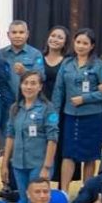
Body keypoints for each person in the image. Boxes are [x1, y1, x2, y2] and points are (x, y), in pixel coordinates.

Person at [53, 28, 102, 190]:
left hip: (92, 116)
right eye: (78, 42)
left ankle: (87, 192)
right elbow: (58, 90)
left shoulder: (99, 65)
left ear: (92, 46)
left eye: (85, 43)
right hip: (70, 115)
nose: (81, 46)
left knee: (90, 156)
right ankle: (64, 191)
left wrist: (85, 98)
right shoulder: (67, 63)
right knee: (68, 154)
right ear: (73, 43)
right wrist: (54, 115)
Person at [1, 71, 58, 203]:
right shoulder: (15, 108)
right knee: (24, 199)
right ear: (20, 85)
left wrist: (46, 167)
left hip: (39, 164)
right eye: (25, 83)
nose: (29, 87)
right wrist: (4, 164)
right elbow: (10, 135)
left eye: (33, 83)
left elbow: (52, 138)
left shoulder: (48, 108)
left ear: (40, 87)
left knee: (38, 201)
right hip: (18, 164)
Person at [41, 26, 70, 184]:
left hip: (61, 108)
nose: (55, 39)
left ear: (65, 42)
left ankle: (60, 186)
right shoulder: (38, 58)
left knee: (58, 144)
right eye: (53, 35)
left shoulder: (68, 62)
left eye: (60, 37)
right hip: (40, 107)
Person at [0, 20, 45, 100]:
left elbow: (41, 77)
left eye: (21, 32)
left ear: (27, 34)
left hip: (28, 100)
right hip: (5, 101)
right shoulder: (0, 54)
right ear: (8, 35)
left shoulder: (36, 54)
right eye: (14, 32)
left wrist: (25, 72)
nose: (18, 36)